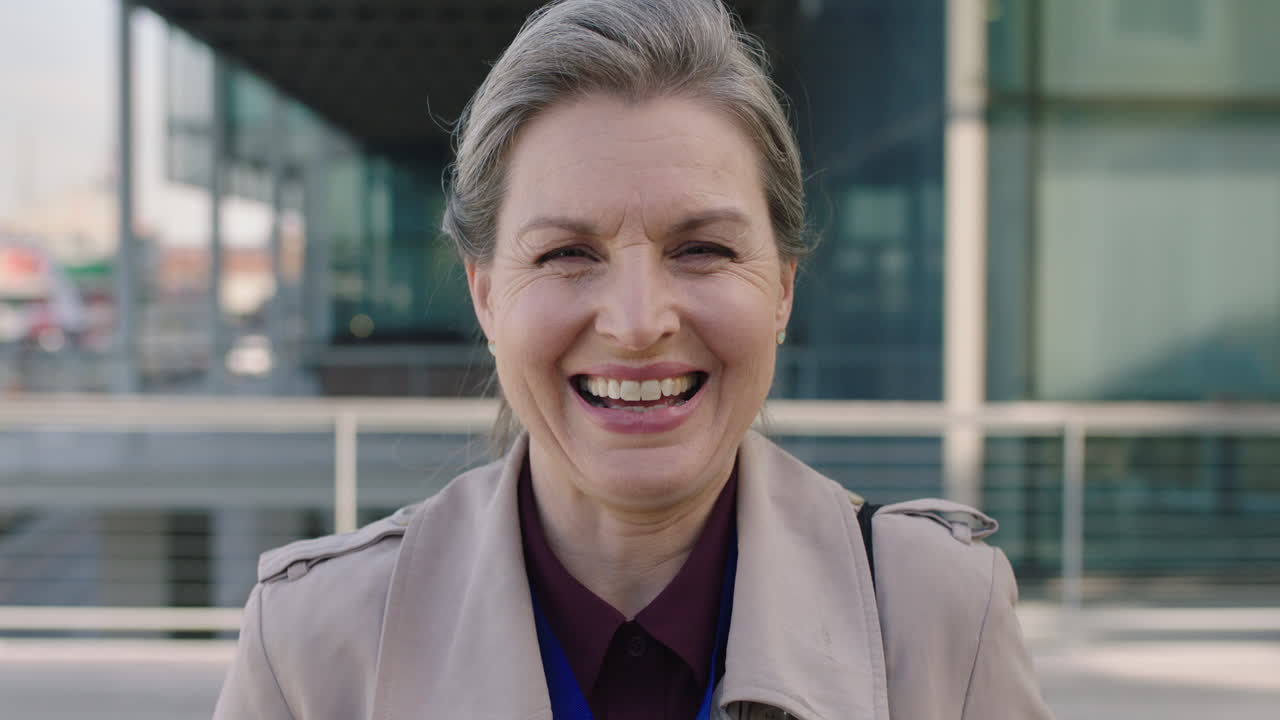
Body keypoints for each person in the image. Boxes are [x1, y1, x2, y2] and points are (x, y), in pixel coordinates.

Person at [214, 1, 1053, 718]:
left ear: (784, 289)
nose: (639, 322)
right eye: (567, 253)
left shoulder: (942, 616)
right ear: (484, 294)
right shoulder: (311, 649)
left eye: (702, 249)